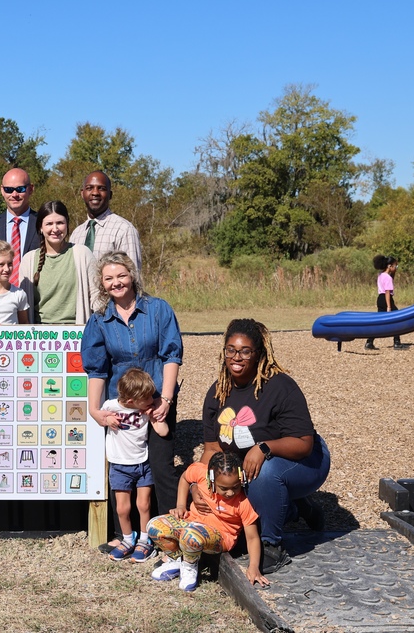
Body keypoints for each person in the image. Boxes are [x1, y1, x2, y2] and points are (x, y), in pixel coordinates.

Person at [196, 318, 330, 575]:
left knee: (263, 474)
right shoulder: (217, 392)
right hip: (251, 467)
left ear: (259, 354)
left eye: (245, 351)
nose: (237, 357)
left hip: (306, 461)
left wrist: (264, 447)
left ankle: (272, 545)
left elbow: (304, 444)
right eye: (231, 350)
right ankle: (295, 507)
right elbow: (212, 449)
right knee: (243, 482)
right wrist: (199, 484)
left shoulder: (280, 387)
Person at [81, 251, 182, 552]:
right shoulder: (100, 320)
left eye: (121, 275)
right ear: (102, 284)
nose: (117, 282)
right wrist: (94, 410)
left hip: (156, 400)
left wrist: (166, 398)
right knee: (121, 467)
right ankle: (123, 536)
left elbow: (171, 355)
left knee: (161, 466)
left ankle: (167, 534)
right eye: (109, 278)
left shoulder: (158, 309)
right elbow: (97, 369)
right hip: (122, 406)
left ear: (132, 275)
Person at [148, 451, 268, 592]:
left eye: (235, 487)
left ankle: (190, 566)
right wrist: (181, 505)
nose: (230, 493)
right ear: (211, 479)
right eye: (224, 488)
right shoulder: (200, 472)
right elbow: (185, 478)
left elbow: (252, 537)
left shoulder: (243, 502)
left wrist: (253, 567)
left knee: (190, 536)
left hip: (220, 536)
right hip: (192, 523)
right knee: (155, 526)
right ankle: (177, 560)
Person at [99, 367, 168, 563]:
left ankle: (145, 541)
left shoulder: (147, 409)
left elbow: (163, 432)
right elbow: (98, 417)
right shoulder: (111, 406)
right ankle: (128, 539)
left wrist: (153, 412)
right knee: (122, 508)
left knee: (144, 504)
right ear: (131, 401)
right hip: (119, 465)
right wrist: (107, 419)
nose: (151, 399)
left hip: (142, 463)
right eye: (147, 398)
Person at [19, 200, 98, 324]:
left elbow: (96, 297)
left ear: (67, 224)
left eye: (60, 223)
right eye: (49, 224)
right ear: (40, 227)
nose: (55, 229)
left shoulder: (83, 254)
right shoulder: (28, 260)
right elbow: (22, 305)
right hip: (39, 337)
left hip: (76, 334)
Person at [0, 168, 40, 287]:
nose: (14, 195)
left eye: (20, 189)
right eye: (9, 190)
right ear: (2, 190)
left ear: (30, 189)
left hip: (37, 300)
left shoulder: (44, 224)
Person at [69, 171, 143, 270]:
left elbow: (133, 276)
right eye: (89, 188)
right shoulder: (76, 233)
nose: (95, 193)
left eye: (102, 188)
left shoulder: (124, 230)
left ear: (110, 194)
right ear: (82, 193)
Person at [365, 255, 408, 350]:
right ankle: (397, 343)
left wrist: (393, 272)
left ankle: (369, 342)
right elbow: (387, 292)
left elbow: (389, 279)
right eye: (395, 266)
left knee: (378, 321)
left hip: (380, 299)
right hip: (386, 299)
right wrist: (389, 306)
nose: (396, 267)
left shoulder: (381, 274)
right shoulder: (387, 278)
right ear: (389, 266)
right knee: (398, 319)